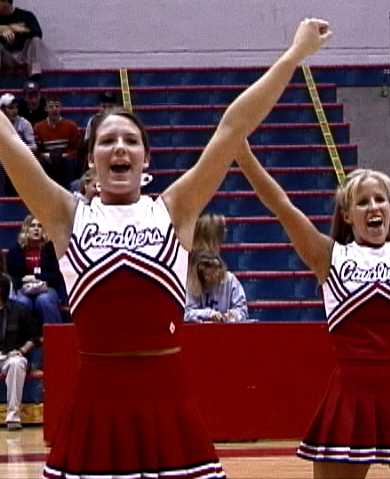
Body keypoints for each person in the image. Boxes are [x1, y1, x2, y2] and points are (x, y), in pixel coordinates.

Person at [0, 18, 332, 478]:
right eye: (107, 141)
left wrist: (293, 56)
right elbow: (7, 141)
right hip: (94, 408)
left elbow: (233, 125)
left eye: (131, 141)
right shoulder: (66, 215)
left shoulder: (175, 209)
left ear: (146, 158)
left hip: (168, 408)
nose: (120, 148)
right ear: (91, 158)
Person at [234, 137, 390, 478]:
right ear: (347, 215)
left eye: (380, 199)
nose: (374, 207)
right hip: (349, 396)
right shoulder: (329, 256)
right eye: (363, 202)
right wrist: (243, 155)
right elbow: (282, 205)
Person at [0, 272, 41, 431]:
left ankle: (13, 417)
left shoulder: (20, 310)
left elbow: (35, 338)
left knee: (17, 364)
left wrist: (22, 350)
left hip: (12, 356)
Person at [6, 215, 65, 325]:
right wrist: (24, 281)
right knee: (22, 302)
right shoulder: (15, 250)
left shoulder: (50, 249)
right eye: (32, 226)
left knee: (44, 300)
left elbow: (56, 276)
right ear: (26, 230)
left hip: (46, 288)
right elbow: (12, 277)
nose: (36, 229)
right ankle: (22, 336)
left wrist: (36, 277)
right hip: (23, 289)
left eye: (40, 226)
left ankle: (55, 334)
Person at [185, 250, 248, 323]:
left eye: (216, 272)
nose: (214, 277)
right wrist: (208, 314)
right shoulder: (194, 282)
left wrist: (233, 315)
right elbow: (187, 313)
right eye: (209, 275)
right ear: (201, 275)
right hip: (201, 328)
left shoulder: (230, 280)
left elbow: (243, 310)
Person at [34, 95, 81, 188]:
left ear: (61, 108)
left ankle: (69, 190)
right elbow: (37, 150)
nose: (54, 109)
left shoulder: (71, 126)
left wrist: (63, 156)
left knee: (69, 162)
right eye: (51, 106)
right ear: (46, 109)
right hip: (48, 162)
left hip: (65, 161)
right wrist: (46, 156)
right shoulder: (38, 127)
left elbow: (76, 149)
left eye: (57, 106)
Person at [0, 0, 43, 78]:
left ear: (6, 2)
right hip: (7, 58)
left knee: (35, 40)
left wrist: (19, 29)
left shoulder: (26, 15)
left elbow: (38, 33)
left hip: (24, 56)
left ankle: (34, 72)